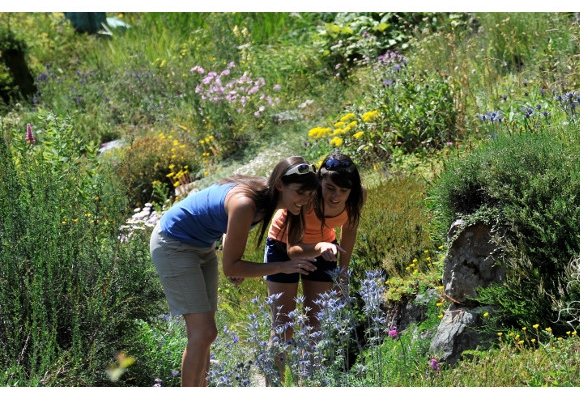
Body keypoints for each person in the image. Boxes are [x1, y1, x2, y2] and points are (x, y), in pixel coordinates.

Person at [149, 156, 319, 387]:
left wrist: (234, 261)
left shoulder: (265, 195)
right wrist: (282, 266)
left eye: (309, 195)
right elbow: (231, 266)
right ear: (280, 184)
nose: (305, 200)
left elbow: (227, 229)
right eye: (300, 193)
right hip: (172, 244)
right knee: (203, 333)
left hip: (201, 244)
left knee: (205, 334)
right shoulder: (246, 203)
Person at [264, 152, 366, 380]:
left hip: (325, 248)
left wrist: (343, 273)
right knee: (283, 326)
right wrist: (319, 246)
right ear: (319, 181)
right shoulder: (305, 198)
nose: (336, 195)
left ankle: (308, 385)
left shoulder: (358, 195)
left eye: (343, 190)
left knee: (316, 328)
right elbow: (293, 250)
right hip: (284, 246)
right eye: (329, 187)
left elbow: (349, 229)